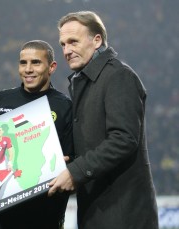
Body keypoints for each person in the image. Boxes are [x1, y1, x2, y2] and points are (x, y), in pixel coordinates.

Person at [48, 11, 159, 229]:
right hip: (101, 209)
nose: (67, 51)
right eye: (62, 44)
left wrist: (77, 171)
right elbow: (93, 141)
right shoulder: (87, 81)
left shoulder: (119, 76)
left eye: (73, 42)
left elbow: (123, 139)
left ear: (96, 40)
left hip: (123, 213)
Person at [0, 40, 74, 229]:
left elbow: (71, 160)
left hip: (46, 216)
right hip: (4, 219)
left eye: (36, 62)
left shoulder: (65, 106)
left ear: (51, 67)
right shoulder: (2, 99)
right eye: (23, 63)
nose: (28, 69)